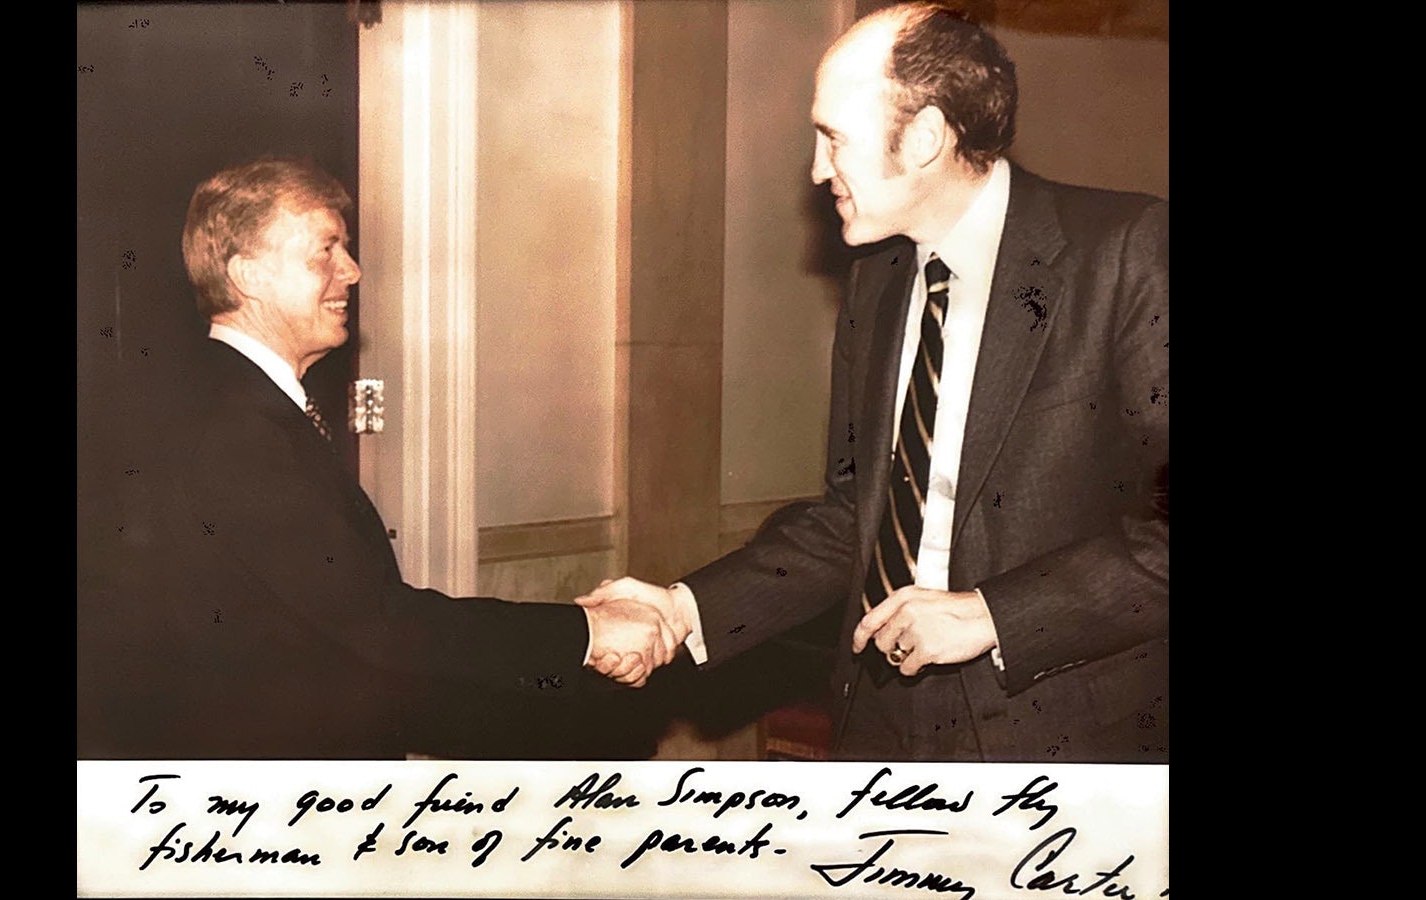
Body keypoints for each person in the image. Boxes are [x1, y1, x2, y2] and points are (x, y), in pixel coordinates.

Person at [578, 1, 1168, 763]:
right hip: (880, 726)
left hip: (1064, 739)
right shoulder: (876, 284)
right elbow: (852, 518)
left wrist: (993, 615)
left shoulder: (1124, 253)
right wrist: (684, 608)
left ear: (924, 137)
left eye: (833, 139)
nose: (818, 170)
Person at [80, 156, 675, 759]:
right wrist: (586, 631)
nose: (353, 270)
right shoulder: (238, 430)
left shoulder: (228, 403)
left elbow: (332, 639)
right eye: (326, 251)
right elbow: (374, 625)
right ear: (248, 274)